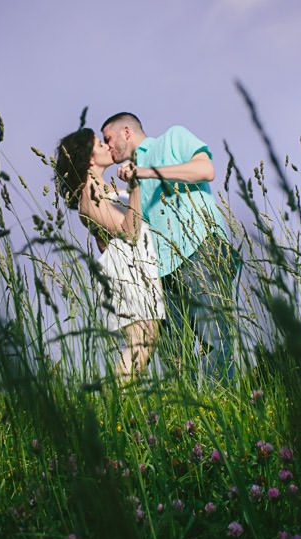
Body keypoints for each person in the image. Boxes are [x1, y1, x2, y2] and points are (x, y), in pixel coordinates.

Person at [101, 113, 239, 383]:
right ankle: (187, 422)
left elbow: (205, 170)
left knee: (215, 342)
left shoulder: (172, 138)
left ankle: (223, 413)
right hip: (163, 272)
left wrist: (145, 172)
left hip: (200, 250)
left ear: (126, 132)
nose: (107, 146)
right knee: (176, 358)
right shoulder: (133, 181)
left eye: (108, 139)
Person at [54, 127, 165, 381]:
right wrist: (136, 186)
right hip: (126, 269)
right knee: (141, 340)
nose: (106, 146)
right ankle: (115, 403)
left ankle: (122, 402)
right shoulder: (88, 196)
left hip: (139, 265)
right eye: (99, 144)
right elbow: (129, 231)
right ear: (90, 158)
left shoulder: (103, 187)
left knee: (148, 338)